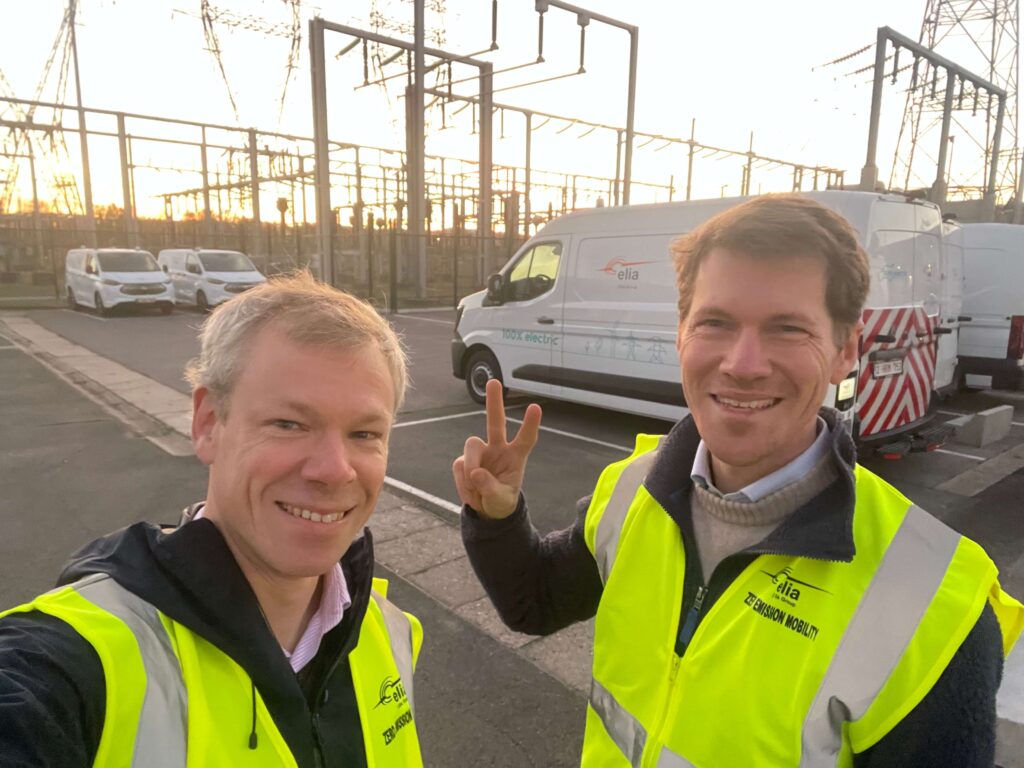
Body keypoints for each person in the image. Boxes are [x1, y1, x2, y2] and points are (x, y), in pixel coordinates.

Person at [454, 194, 1024, 767]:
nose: (743, 363)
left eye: (787, 329)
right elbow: (535, 604)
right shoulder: (631, 491)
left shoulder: (934, 605)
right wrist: (498, 520)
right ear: (681, 333)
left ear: (845, 350)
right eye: (716, 323)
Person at [0, 272, 424, 767]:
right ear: (206, 425)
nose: (334, 470)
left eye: (365, 433)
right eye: (288, 424)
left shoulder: (389, 631)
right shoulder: (71, 663)